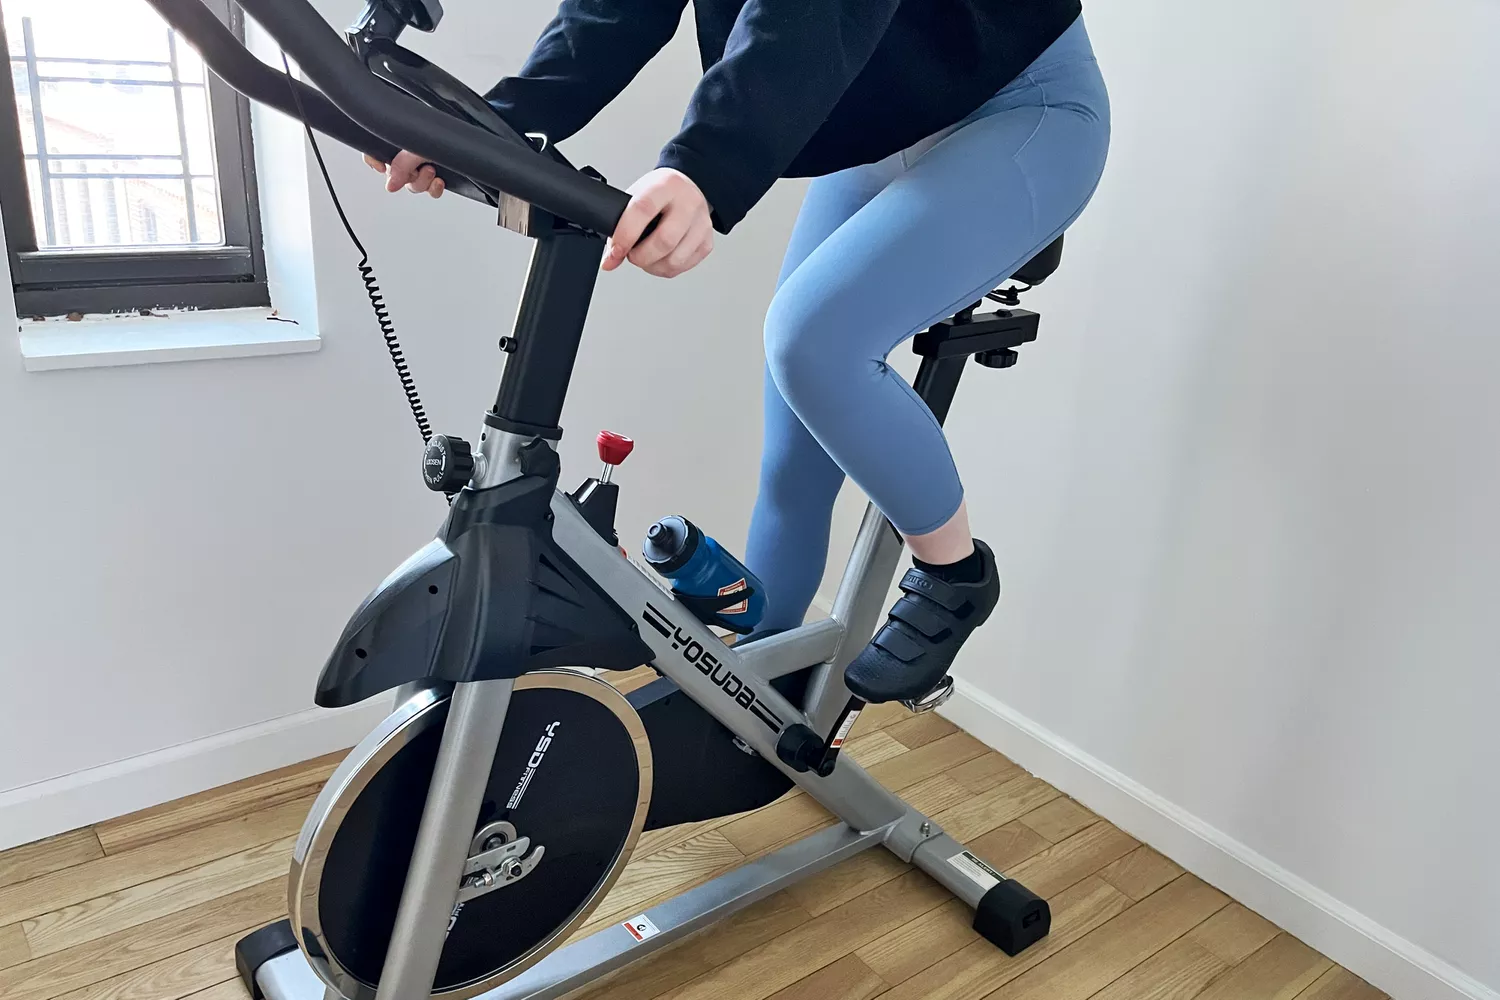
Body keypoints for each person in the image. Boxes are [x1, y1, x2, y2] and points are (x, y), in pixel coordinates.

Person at [365, 0, 1110, 704]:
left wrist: (702, 167)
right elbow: (613, 11)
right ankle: (758, 686)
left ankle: (955, 571)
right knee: (793, 448)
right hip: (886, 129)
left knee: (813, 341)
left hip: (1025, 106)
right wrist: (493, 124)